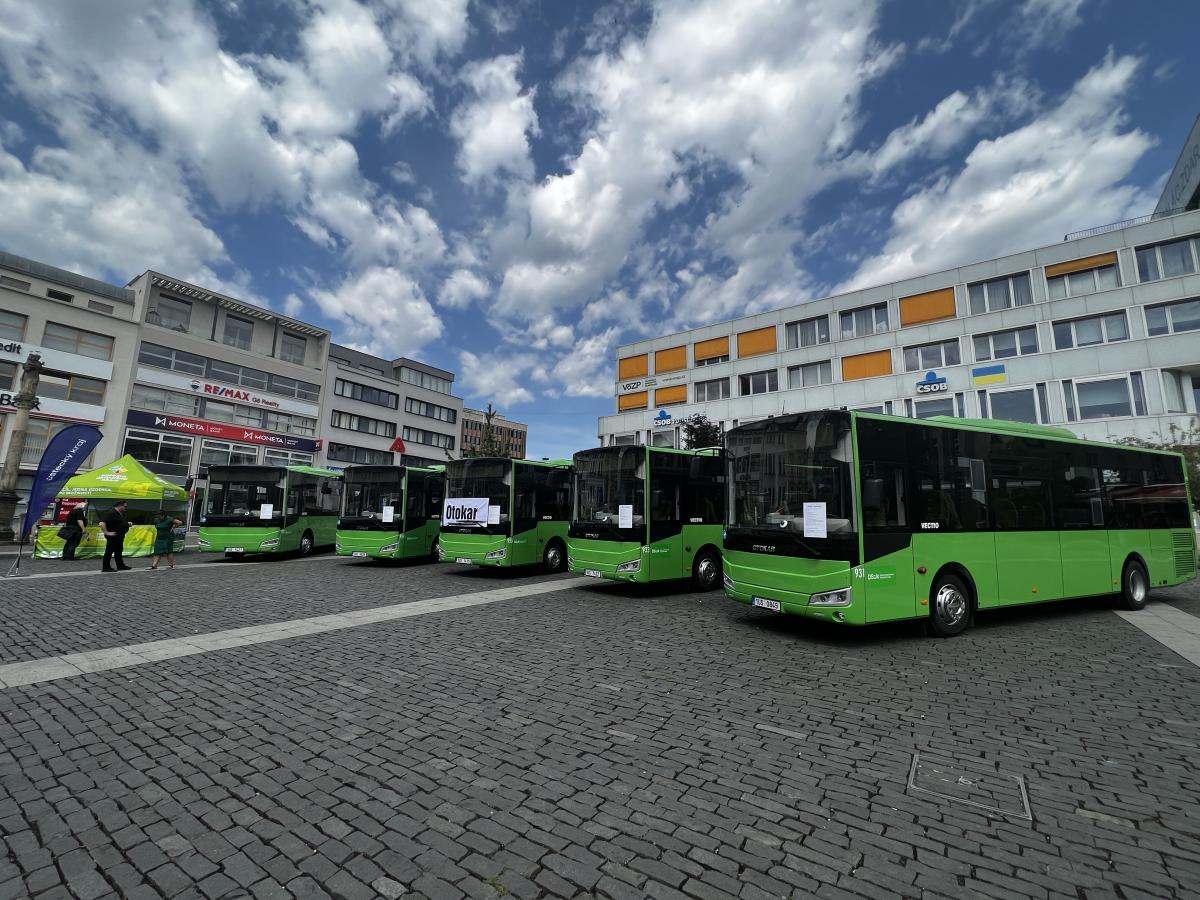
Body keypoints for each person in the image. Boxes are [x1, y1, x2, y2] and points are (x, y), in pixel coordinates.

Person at [101, 501, 132, 572]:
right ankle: (106, 567)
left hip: (119, 536)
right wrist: (107, 532)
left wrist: (127, 524)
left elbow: (118, 523)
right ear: (119, 506)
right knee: (109, 552)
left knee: (118, 551)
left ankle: (120, 566)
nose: (126, 508)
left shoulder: (120, 514)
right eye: (125, 506)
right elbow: (102, 523)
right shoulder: (111, 512)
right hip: (113, 536)